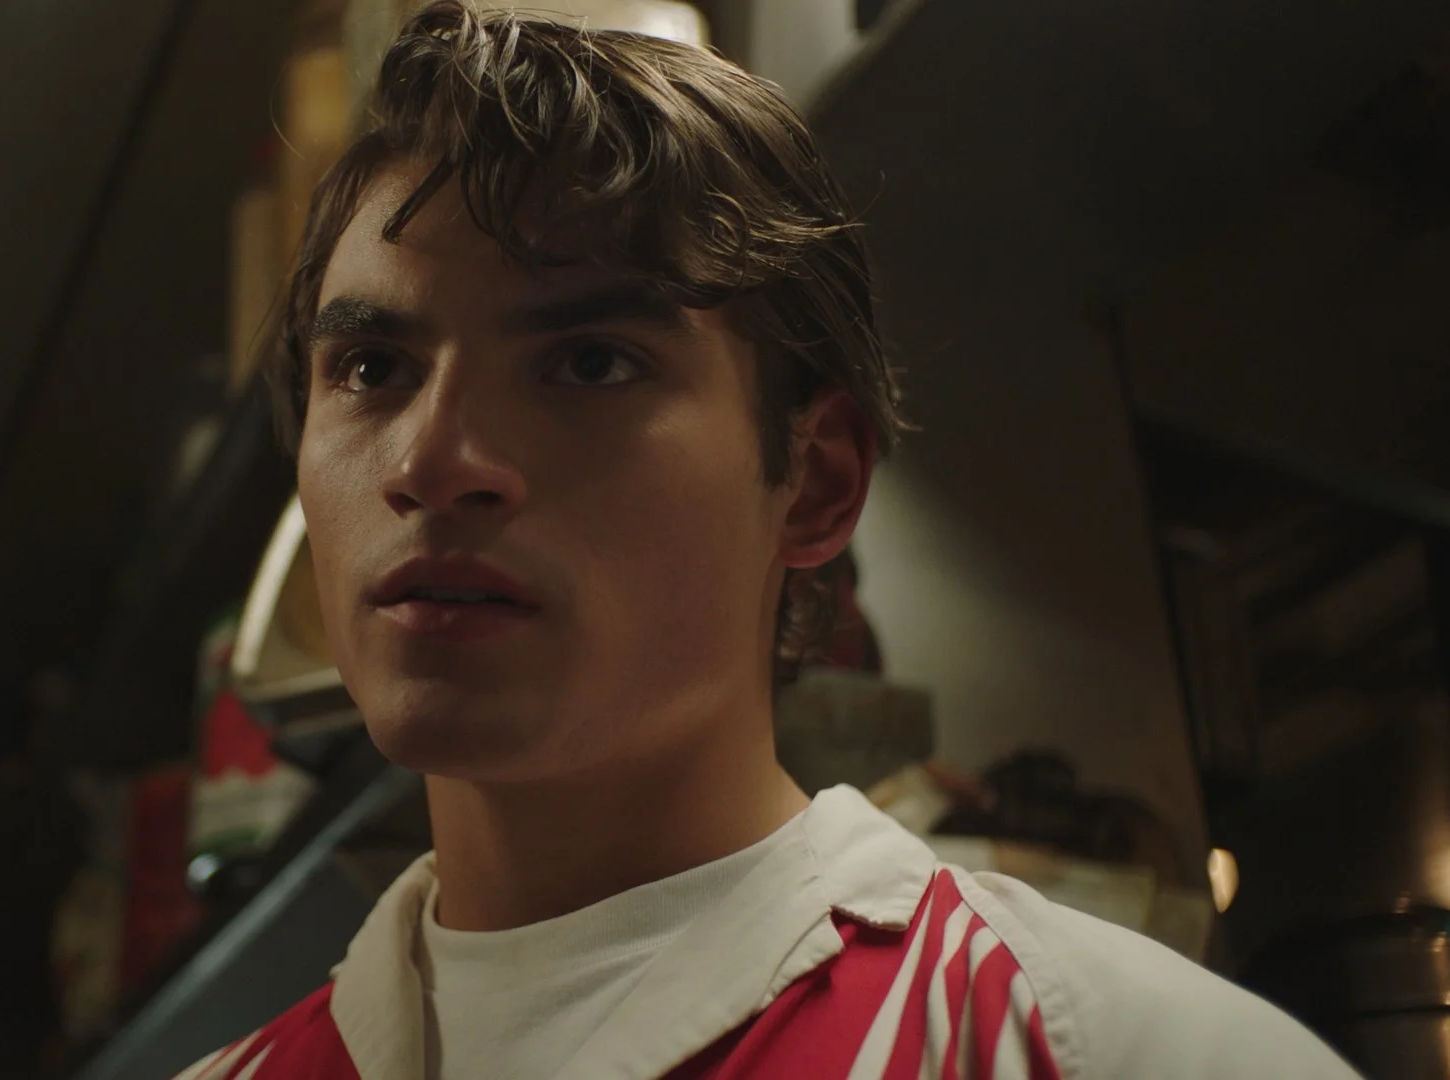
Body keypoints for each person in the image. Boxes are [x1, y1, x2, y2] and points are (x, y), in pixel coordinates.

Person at [182, 3, 1362, 1077]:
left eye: (591, 362)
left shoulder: (1107, 1054)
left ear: (815, 483)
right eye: (373, 368)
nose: (430, 463)